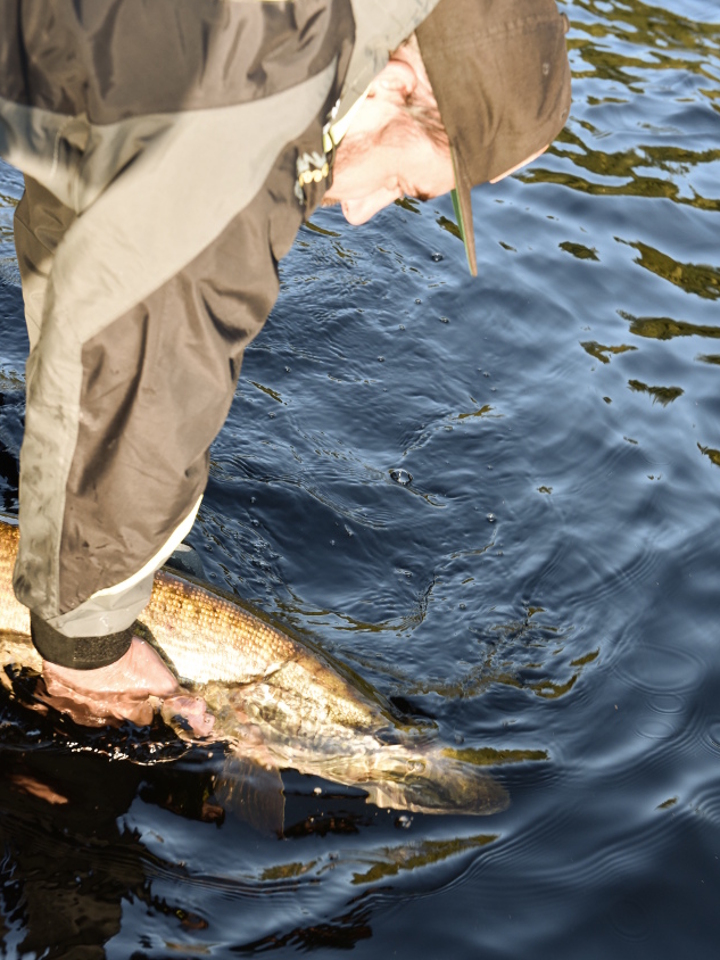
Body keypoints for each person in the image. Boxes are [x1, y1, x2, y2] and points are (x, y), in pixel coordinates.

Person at [0, 0, 571, 728]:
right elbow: (151, 359)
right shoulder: (253, 114)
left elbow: (83, 229)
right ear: (395, 82)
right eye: (403, 183)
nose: (361, 211)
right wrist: (88, 649)